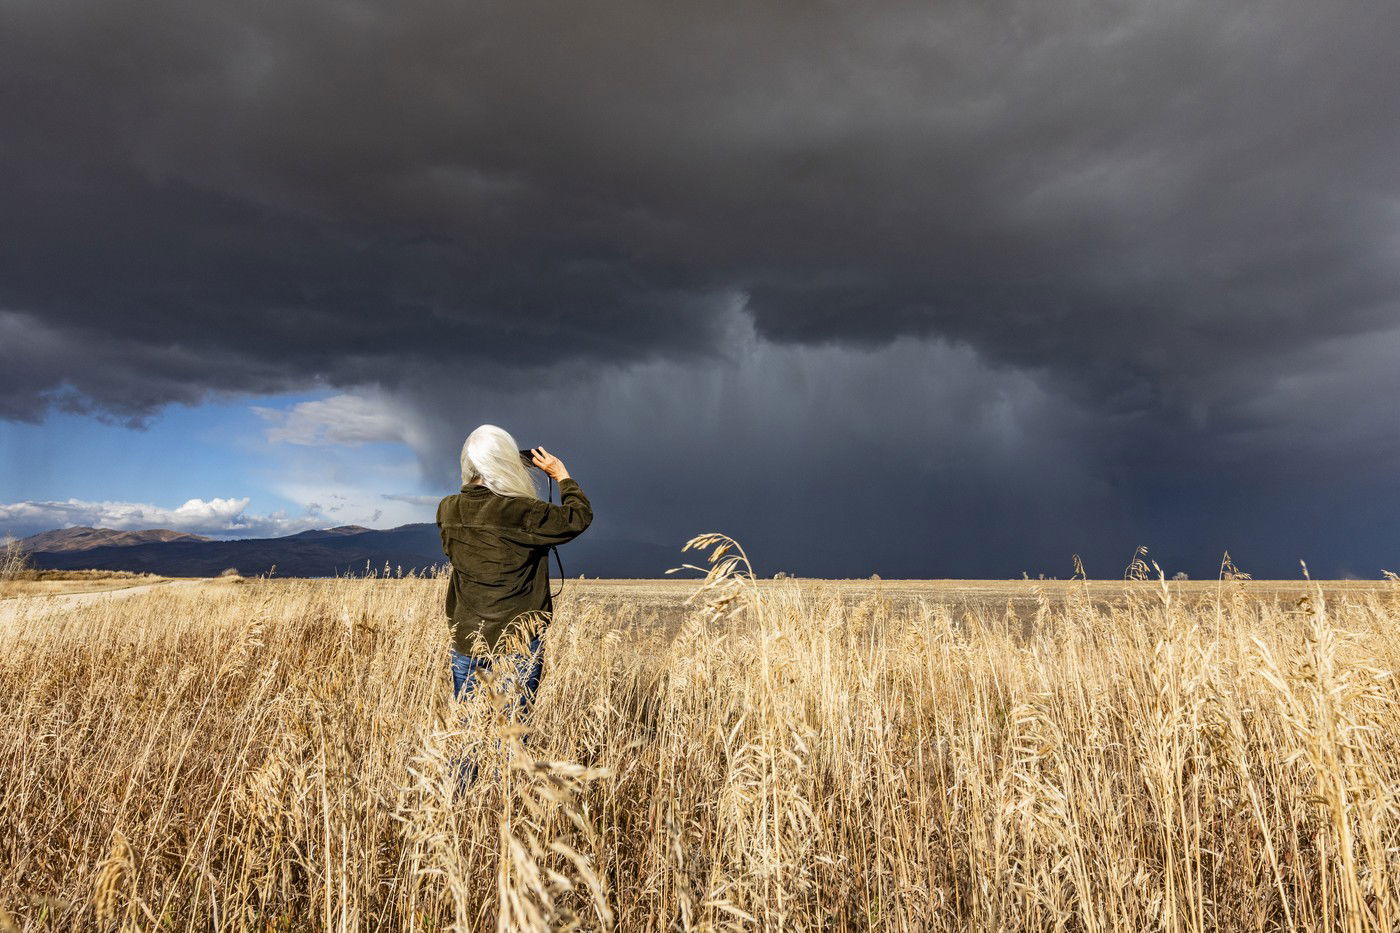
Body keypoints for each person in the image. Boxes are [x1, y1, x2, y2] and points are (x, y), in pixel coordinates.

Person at [435, 424, 592, 778]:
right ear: (505, 463)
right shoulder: (523, 512)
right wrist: (562, 476)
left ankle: (460, 807)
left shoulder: (448, 510)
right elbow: (578, 518)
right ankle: (500, 807)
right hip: (519, 641)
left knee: (467, 734)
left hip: (466, 640)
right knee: (511, 738)